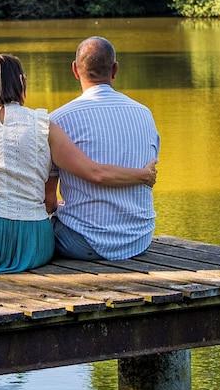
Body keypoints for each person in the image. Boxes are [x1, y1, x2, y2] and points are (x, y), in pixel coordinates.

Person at [0, 53, 154, 274]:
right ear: (22, 82)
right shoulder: (43, 124)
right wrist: (143, 175)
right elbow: (76, 182)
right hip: (29, 240)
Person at [47, 37, 160, 261]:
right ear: (115, 69)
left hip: (83, 242)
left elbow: (48, 199)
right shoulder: (144, 114)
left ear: (75, 70)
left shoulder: (58, 120)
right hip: (139, 239)